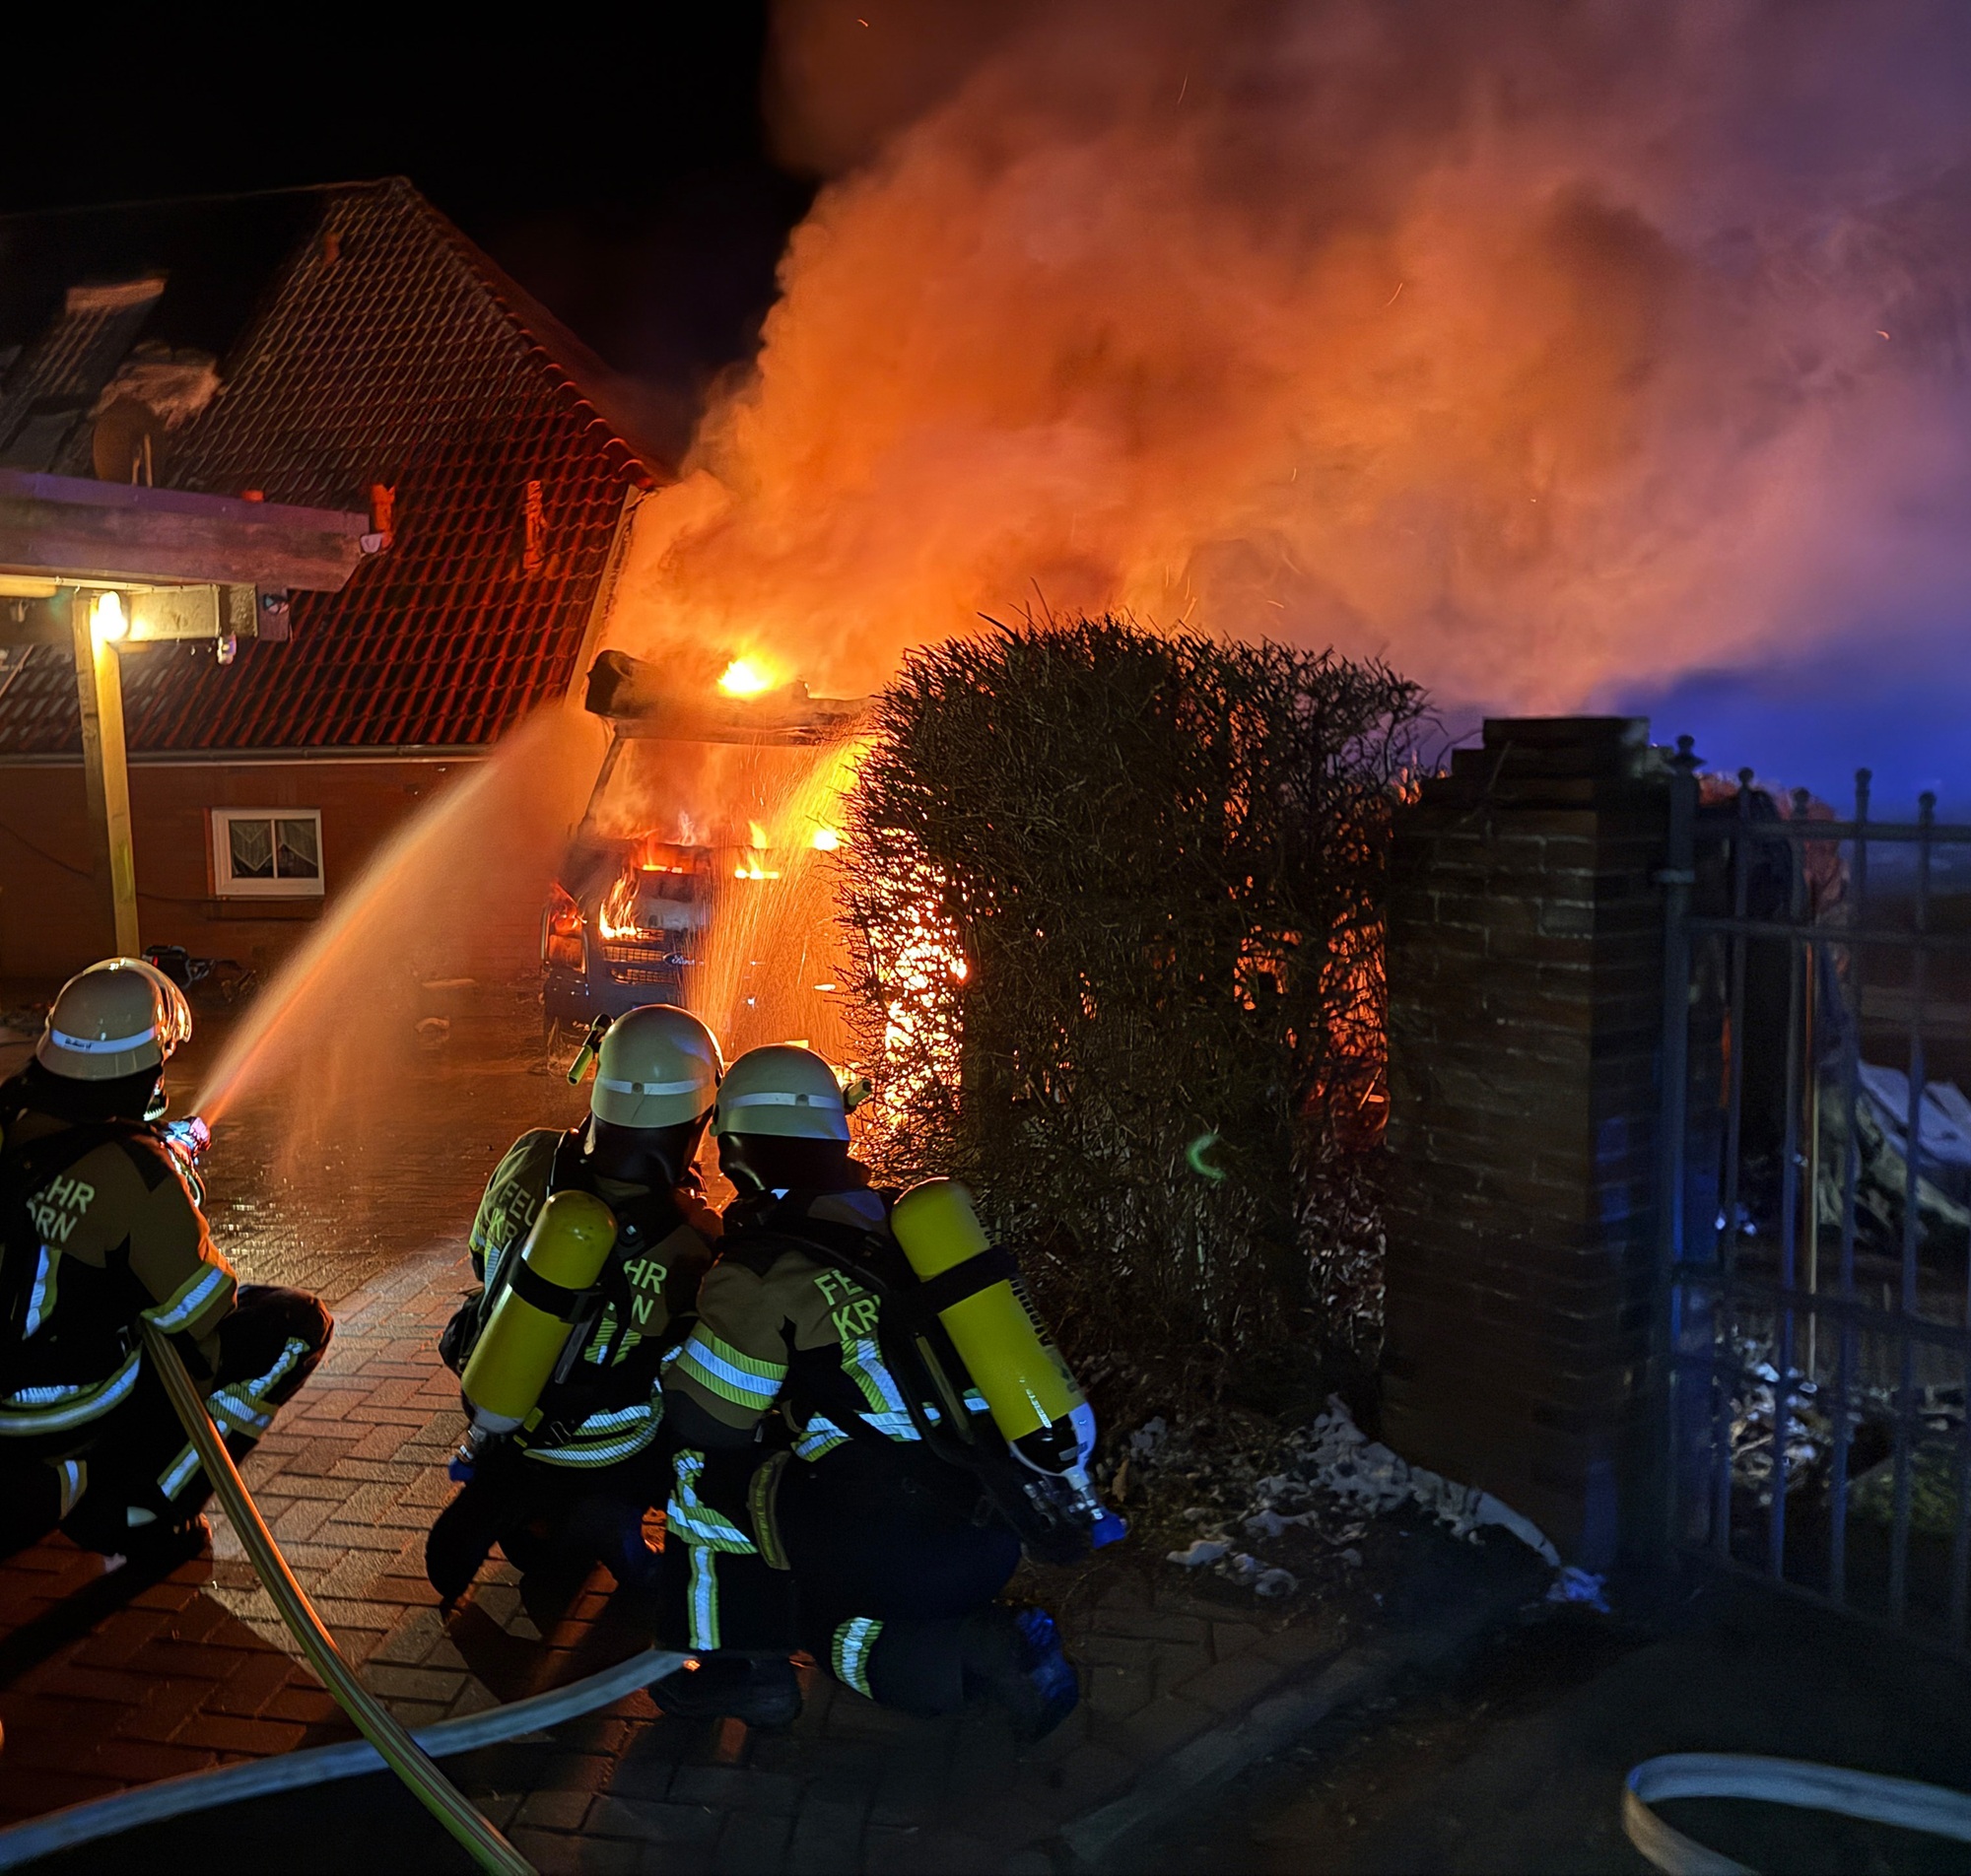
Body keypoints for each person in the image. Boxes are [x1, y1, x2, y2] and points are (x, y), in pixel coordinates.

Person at [661, 1043, 1080, 1740]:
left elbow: (707, 1422)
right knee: (835, 1586)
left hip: (894, 1549)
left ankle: (748, 1672)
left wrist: (683, 1346)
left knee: (702, 1483)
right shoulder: (906, 1232)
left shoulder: (763, 1270)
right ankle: (988, 1639)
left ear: (741, 1158)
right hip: (992, 1524)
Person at [0, 958, 331, 1564]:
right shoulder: (137, 1173)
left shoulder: (14, 1116)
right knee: (291, 1326)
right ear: (142, 1067)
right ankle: (142, 1505)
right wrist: (174, 1195)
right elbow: (202, 1308)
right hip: (54, 1410)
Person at [427, 1003, 722, 1610]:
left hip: (511, 1415)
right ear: (695, 1121)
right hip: (616, 1449)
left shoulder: (531, 1156)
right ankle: (614, 1518)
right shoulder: (696, 1239)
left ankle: (506, 1494)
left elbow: (485, 1262)